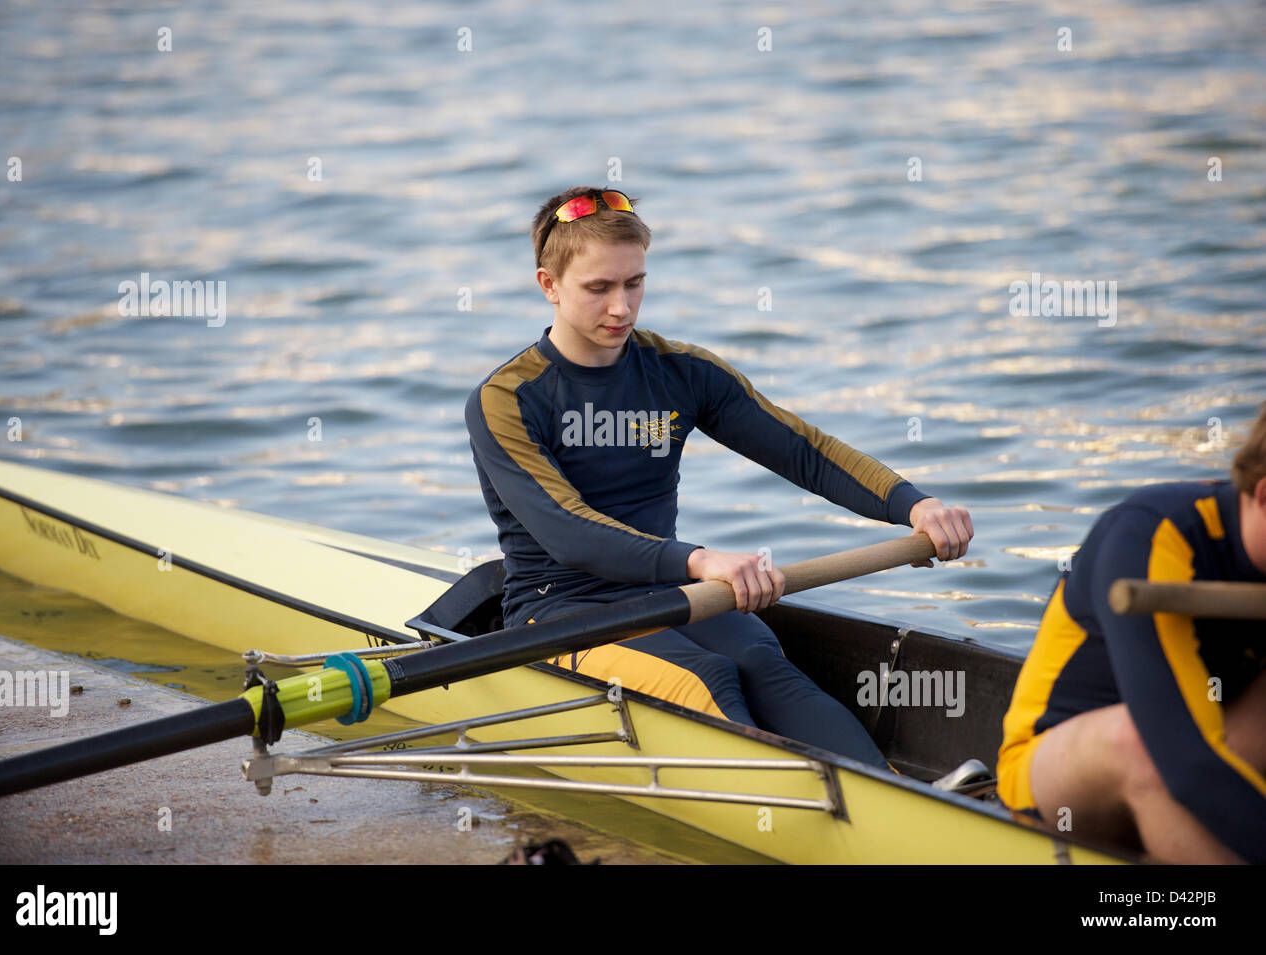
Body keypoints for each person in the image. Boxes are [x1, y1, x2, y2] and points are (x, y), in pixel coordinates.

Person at [464, 186, 973, 768]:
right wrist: (701, 560)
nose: (621, 308)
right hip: (558, 613)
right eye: (598, 288)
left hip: (671, 594)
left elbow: (805, 452)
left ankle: (891, 798)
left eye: (635, 283)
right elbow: (568, 530)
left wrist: (913, 505)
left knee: (761, 662)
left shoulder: (683, 373)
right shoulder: (505, 399)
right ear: (548, 285)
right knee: (704, 677)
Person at [997, 403, 1266, 863]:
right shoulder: (1152, 533)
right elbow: (1183, 764)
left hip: (1207, 752)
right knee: (1139, 744)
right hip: (1056, 784)